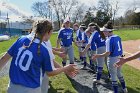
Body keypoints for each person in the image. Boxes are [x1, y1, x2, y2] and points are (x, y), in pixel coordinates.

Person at [0, 19, 78, 93]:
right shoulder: (44, 49)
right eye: (51, 32)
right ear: (47, 32)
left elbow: (4, 58)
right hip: (31, 89)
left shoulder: (21, 39)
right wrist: (65, 68)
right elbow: (50, 72)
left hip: (12, 87)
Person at [92, 22, 128, 93]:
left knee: (113, 76)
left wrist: (98, 55)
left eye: (104, 31)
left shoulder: (108, 40)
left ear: (108, 31)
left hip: (112, 59)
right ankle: (124, 89)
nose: (102, 32)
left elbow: (108, 53)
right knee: (119, 73)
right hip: (119, 58)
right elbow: (121, 49)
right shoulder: (118, 37)